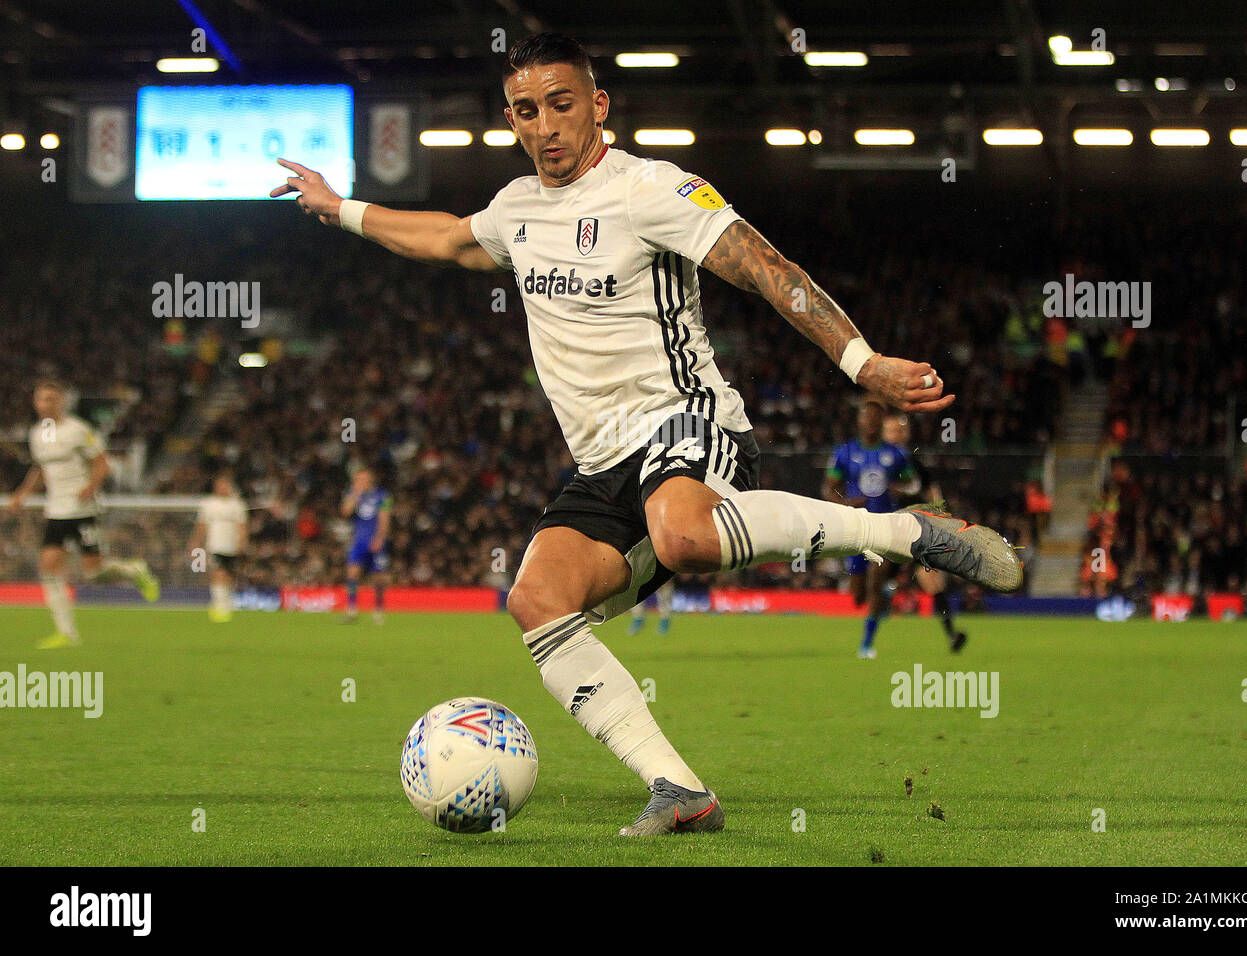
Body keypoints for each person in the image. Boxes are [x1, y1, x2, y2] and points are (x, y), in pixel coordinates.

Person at [273, 33, 1021, 835]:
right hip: (602, 464)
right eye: (527, 111)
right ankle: (679, 788)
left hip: (689, 420)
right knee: (536, 600)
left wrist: (863, 361)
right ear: (512, 121)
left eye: (562, 104)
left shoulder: (651, 189)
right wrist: (337, 207)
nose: (547, 125)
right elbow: (444, 238)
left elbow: (766, 267)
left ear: (598, 106)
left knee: (684, 535)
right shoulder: (517, 209)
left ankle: (904, 530)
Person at [6, 380, 159, 648]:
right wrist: (22, 494)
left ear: (62, 402)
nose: (45, 404)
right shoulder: (37, 434)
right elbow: (40, 469)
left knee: (93, 572)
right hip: (57, 510)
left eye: (51, 399)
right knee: (49, 568)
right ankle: (66, 633)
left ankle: (134, 570)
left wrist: (90, 487)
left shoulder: (78, 430)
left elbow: (102, 462)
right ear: (35, 402)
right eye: (41, 399)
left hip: (83, 509)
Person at [823, 401, 920, 658]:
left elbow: (912, 484)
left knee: (877, 580)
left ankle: (867, 643)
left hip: (885, 526)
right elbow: (829, 489)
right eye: (868, 417)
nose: (872, 422)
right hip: (855, 528)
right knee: (858, 595)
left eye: (878, 418)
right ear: (860, 421)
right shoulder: (845, 453)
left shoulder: (896, 455)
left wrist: (900, 489)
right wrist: (845, 502)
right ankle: (881, 598)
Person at [881, 412, 968, 653]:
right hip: (885, 529)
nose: (898, 434)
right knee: (881, 580)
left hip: (914, 529)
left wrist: (940, 512)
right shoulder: (877, 461)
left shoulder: (912, 461)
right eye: (893, 430)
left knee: (930, 580)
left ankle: (951, 634)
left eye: (901, 430)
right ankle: (871, 633)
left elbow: (930, 488)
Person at [188, 471, 248, 623]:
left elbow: (242, 526)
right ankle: (219, 603)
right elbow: (202, 525)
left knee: (229, 574)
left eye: (225, 485)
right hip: (215, 544)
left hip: (231, 545)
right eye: (220, 485)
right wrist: (196, 541)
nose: (222, 487)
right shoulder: (208, 504)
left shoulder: (237, 505)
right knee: (217, 572)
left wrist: (242, 542)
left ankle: (227, 601)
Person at [340, 468, 392, 624]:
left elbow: (384, 519)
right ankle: (351, 609)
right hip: (358, 541)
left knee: (378, 579)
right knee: (352, 574)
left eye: (362, 479)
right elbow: (345, 512)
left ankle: (378, 609)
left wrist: (380, 538)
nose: (358, 482)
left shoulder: (383, 496)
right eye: (357, 479)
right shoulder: (353, 494)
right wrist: (356, 494)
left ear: (370, 479)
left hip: (375, 541)